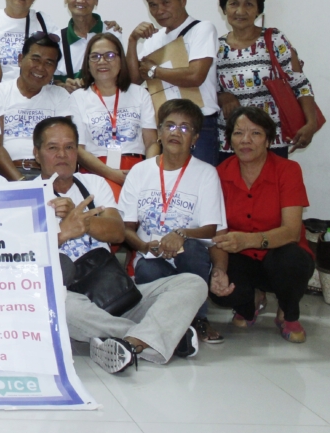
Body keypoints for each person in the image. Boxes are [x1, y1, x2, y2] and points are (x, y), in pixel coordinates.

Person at [35, 117, 205, 373]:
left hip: (117, 289)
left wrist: (84, 222)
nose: (62, 155)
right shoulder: (25, 194)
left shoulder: (93, 184)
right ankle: (155, 336)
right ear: (36, 153)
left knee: (193, 283)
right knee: (54, 302)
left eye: (69, 147)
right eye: (52, 148)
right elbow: (20, 257)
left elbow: (117, 233)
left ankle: (128, 340)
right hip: (74, 297)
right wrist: (62, 233)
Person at [119, 99, 226, 344]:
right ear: (159, 133)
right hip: (151, 255)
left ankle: (197, 318)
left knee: (192, 250)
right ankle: (169, 324)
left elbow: (211, 228)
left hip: (190, 252)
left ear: (196, 138)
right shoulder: (139, 172)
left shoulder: (206, 173)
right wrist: (145, 247)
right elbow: (126, 228)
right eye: (169, 126)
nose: (176, 132)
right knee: (148, 267)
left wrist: (181, 234)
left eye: (185, 128)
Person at [210, 107, 315, 343]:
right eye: (238, 133)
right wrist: (219, 270)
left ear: (268, 140)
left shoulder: (288, 170)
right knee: (218, 287)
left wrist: (248, 239)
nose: (246, 140)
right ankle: (250, 303)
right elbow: (218, 232)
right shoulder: (218, 174)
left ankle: (288, 313)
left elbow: (291, 231)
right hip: (241, 258)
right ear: (229, 141)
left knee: (291, 261)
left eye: (255, 133)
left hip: (280, 255)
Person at [214, 0, 318, 160]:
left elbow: (300, 84)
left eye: (248, 4)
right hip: (230, 141)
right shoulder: (215, 47)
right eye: (233, 3)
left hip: (271, 140)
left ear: (258, 10)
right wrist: (222, 96)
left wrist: (311, 123)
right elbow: (204, 89)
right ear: (224, 8)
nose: (240, 10)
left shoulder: (275, 40)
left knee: (272, 188)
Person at [126, 0, 220, 165]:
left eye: (165, 2)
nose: (159, 10)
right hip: (166, 126)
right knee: (169, 188)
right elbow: (134, 81)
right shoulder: (154, 39)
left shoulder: (202, 29)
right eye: (152, 5)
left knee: (198, 186)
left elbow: (195, 75)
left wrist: (154, 71)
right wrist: (132, 41)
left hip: (199, 124)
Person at [70, 33, 159, 199]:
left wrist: (147, 172)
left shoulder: (140, 94)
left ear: (121, 60)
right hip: (96, 172)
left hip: (136, 171)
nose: (102, 61)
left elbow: (152, 142)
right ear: (88, 63)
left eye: (110, 55)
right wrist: (113, 174)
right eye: (95, 56)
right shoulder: (78, 97)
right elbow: (79, 150)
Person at [0, 32, 71, 181]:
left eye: (49, 63)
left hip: (46, 176)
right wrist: (21, 183)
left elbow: (62, 147)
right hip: (3, 174)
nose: (40, 68)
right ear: (20, 60)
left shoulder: (60, 96)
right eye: (35, 59)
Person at [53, 0, 122, 91]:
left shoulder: (112, 34)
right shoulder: (56, 39)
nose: (80, 0)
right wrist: (65, 87)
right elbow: (51, 81)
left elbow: (123, 76)